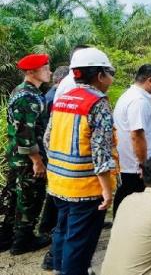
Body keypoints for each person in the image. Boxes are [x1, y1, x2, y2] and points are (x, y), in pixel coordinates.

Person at [45, 47, 118, 275]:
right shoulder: (98, 104)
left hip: (58, 181)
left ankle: (59, 269)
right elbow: (101, 154)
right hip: (85, 187)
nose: (111, 78)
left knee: (62, 230)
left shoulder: (63, 99)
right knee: (79, 242)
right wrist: (107, 191)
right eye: (110, 72)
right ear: (99, 75)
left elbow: (48, 139)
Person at [0, 54, 52, 254]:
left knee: (15, 194)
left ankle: (8, 236)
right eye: (45, 68)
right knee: (29, 196)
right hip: (27, 157)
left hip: (18, 155)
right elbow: (25, 133)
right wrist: (37, 161)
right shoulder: (28, 96)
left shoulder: (25, 92)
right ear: (31, 72)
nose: (49, 71)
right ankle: (23, 240)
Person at [113, 64, 151, 216]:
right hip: (134, 164)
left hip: (130, 161)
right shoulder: (138, 101)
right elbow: (137, 135)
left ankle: (121, 225)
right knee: (132, 197)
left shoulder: (132, 95)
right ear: (150, 80)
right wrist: (143, 164)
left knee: (127, 195)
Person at [38, 64, 69, 271]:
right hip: (55, 158)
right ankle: (47, 234)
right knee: (59, 206)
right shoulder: (54, 98)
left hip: (53, 157)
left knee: (56, 201)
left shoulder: (53, 95)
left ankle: (46, 229)